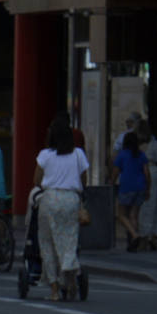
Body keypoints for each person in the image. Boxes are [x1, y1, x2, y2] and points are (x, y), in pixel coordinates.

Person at [34, 116, 91, 301]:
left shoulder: (45, 155)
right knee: (69, 241)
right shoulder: (78, 154)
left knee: (47, 243)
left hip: (50, 199)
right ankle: (69, 269)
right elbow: (84, 180)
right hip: (71, 199)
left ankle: (54, 290)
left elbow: (36, 181)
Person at [111, 132, 149, 252]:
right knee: (133, 215)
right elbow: (147, 173)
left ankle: (134, 235)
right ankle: (133, 242)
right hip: (140, 187)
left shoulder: (122, 155)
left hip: (126, 187)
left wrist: (112, 183)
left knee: (121, 214)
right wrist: (148, 188)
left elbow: (115, 171)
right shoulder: (141, 155)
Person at [135, 119, 157, 250]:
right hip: (154, 173)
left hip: (140, 173)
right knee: (153, 205)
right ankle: (151, 235)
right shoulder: (156, 144)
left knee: (141, 206)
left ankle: (143, 235)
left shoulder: (137, 145)